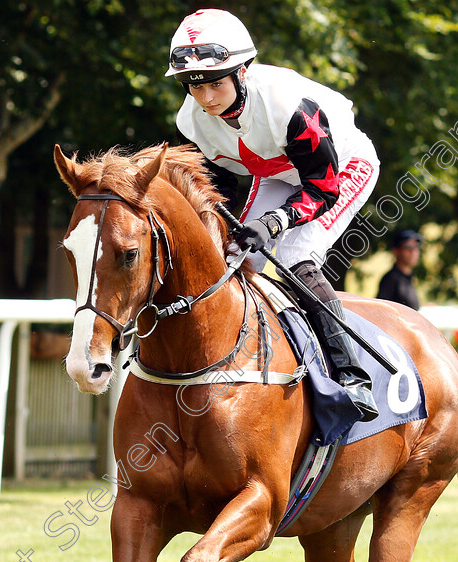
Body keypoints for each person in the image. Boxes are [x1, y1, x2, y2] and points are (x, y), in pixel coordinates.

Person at [165, 9, 381, 421]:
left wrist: (275, 222)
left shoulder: (287, 105)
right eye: (195, 86)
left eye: (215, 83)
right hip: (277, 170)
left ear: (242, 71)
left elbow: (322, 187)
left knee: (298, 257)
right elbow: (221, 189)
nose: (207, 98)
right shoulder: (190, 122)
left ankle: (352, 375)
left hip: (341, 167)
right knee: (232, 256)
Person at [376, 229, 422, 310]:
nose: (413, 252)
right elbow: (380, 311)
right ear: (396, 251)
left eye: (416, 247)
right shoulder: (391, 279)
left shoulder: (409, 278)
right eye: (408, 247)